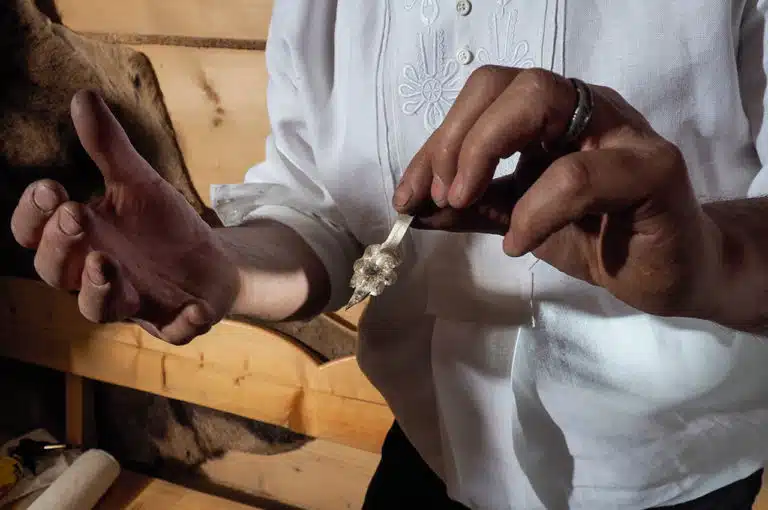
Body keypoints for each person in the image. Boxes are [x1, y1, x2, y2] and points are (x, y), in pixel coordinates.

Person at [9, 1, 768, 508]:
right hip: (432, 457)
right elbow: (320, 211)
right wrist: (222, 266)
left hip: (675, 473)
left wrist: (714, 263)